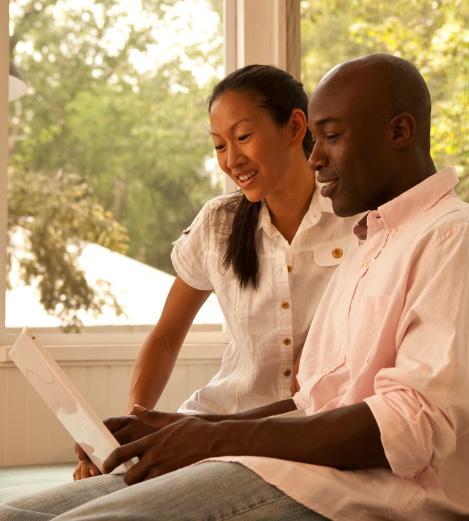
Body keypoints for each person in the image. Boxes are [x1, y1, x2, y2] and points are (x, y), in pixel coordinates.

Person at [0, 54, 469, 521]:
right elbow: (314, 401)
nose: (317, 155)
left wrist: (213, 437)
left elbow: (411, 428)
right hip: (287, 468)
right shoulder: (375, 241)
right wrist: (178, 429)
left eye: (331, 136)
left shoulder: (455, 240)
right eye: (317, 139)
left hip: (366, 495)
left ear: (399, 132)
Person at [73, 64, 360, 479]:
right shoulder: (218, 223)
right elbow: (167, 335)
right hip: (214, 420)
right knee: (69, 498)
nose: (231, 160)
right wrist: (136, 425)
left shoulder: (358, 219)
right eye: (219, 146)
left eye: (243, 137)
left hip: (294, 438)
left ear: (296, 127)